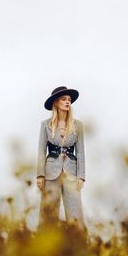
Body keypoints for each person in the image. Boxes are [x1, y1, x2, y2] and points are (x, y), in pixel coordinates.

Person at [36, 86, 86, 233]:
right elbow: (41, 150)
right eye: (63, 99)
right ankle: (46, 245)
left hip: (71, 172)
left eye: (69, 100)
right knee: (49, 212)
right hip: (51, 172)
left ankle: (79, 244)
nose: (67, 102)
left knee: (75, 212)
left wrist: (81, 176)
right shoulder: (45, 125)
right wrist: (40, 175)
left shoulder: (78, 126)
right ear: (56, 103)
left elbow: (81, 152)